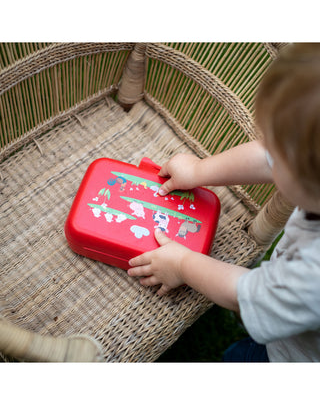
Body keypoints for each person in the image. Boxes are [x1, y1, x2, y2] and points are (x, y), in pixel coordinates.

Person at [127, 43, 320, 362]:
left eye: (278, 151)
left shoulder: (312, 275)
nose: (269, 152)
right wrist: (198, 171)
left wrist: (182, 264)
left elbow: (249, 295)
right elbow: (265, 159)